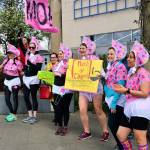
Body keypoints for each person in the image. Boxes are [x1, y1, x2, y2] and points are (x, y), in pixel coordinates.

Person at [113, 41, 150, 150]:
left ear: (137, 59)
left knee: (140, 138)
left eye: (131, 57)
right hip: (129, 108)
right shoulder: (131, 72)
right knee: (120, 135)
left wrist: (127, 90)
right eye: (128, 57)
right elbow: (129, 90)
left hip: (140, 108)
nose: (128, 59)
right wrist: (122, 90)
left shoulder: (143, 72)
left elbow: (144, 93)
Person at [78, 37, 109, 141]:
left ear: (88, 49)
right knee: (82, 110)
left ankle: (105, 131)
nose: (81, 50)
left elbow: (103, 74)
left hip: (95, 88)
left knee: (98, 110)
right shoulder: (79, 62)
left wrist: (98, 76)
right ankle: (87, 132)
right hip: (83, 89)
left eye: (83, 48)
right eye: (80, 48)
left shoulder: (95, 59)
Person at [104, 40, 127, 150]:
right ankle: (121, 144)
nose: (109, 55)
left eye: (112, 53)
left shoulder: (120, 66)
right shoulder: (111, 65)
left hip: (117, 100)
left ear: (117, 55)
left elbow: (120, 85)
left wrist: (113, 103)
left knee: (113, 124)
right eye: (108, 54)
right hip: (111, 98)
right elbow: (109, 81)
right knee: (116, 124)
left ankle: (122, 145)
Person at [22, 36, 44, 124]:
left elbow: (38, 69)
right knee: (26, 97)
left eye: (33, 47)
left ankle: (34, 117)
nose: (31, 48)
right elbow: (25, 66)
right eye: (30, 47)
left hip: (34, 79)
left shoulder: (39, 57)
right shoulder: (27, 55)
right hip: (26, 78)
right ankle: (30, 116)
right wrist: (24, 70)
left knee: (33, 97)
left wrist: (30, 63)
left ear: (36, 48)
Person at [52, 43, 73, 136]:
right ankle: (60, 126)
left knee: (65, 108)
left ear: (66, 54)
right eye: (59, 54)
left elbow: (70, 76)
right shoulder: (57, 64)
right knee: (58, 108)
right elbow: (53, 73)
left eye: (62, 53)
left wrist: (60, 74)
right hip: (56, 88)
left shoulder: (68, 64)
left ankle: (65, 127)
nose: (60, 55)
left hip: (66, 89)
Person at [0, 44, 23, 122]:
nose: (9, 54)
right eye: (8, 53)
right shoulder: (5, 61)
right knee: (7, 99)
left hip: (15, 81)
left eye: (11, 53)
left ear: (14, 54)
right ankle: (12, 113)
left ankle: (14, 115)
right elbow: (1, 69)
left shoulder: (18, 62)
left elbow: (21, 72)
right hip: (6, 81)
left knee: (15, 98)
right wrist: (1, 66)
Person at [45, 52, 58, 124]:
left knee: (57, 103)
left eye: (54, 57)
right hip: (50, 87)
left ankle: (58, 117)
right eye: (51, 57)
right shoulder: (48, 65)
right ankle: (56, 116)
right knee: (53, 102)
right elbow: (45, 75)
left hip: (58, 87)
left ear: (57, 58)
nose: (52, 59)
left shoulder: (59, 65)